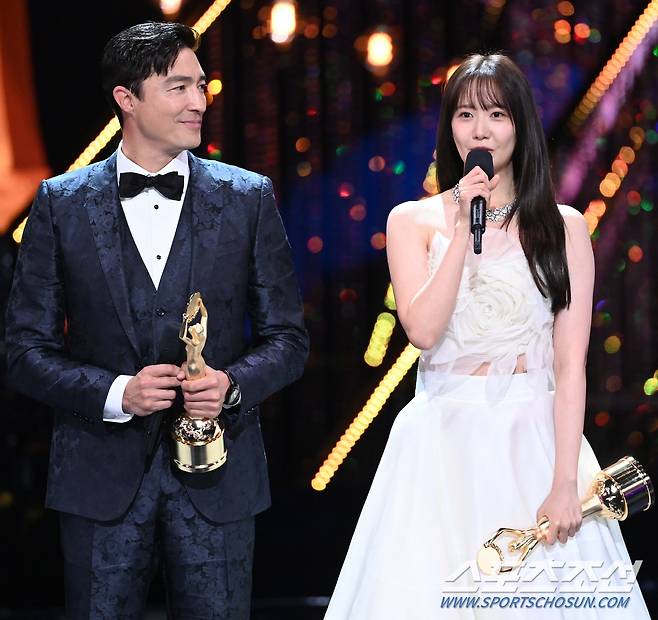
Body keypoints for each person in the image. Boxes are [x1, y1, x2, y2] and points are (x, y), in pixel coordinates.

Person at [324, 53, 650, 618]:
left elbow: (570, 365)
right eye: (466, 114)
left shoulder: (563, 226)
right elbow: (423, 331)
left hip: (534, 439)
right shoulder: (412, 221)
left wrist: (566, 481)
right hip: (440, 443)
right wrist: (460, 229)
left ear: (520, 126)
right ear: (449, 126)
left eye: (497, 115)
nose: (480, 130)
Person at [5, 21, 308, 619]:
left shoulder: (247, 197)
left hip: (220, 479)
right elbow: (23, 351)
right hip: (98, 478)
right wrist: (117, 393)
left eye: (200, 84)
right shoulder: (61, 203)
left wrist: (231, 385)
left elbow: (289, 340)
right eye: (178, 87)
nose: (199, 101)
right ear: (127, 98)